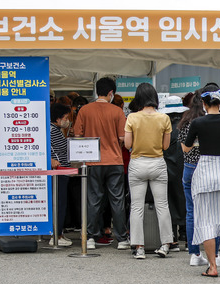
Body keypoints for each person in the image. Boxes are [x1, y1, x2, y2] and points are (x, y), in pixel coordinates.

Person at [182, 83, 220, 277]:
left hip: (204, 171)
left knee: (205, 220)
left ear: (204, 104)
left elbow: (186, 148)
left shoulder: (197, 123)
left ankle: (212, 267)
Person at [72, 77, 130, 250]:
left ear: (97, 91)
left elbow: (77, 136)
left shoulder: (85, 110)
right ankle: (121, 239)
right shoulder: (117, 112)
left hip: (92, 162)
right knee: (117, 200)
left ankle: (90, 237)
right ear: (111, 93)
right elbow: (122, 138)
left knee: (93, 199)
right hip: (114, 161)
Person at [124, 82, 175, 259]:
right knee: (162, 205)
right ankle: (166, 244)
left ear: (138, 98)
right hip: (158, 163)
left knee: (136, 207)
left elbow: (128, 144)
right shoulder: (164, 118)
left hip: (137, 163)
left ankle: (139, 247)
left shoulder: (132, 118)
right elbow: (166, 145)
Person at [177, 91, 220, 268]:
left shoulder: (186, 121)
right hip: (210, 167)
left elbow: (184, 149)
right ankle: (216, 254)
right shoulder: (214, 121)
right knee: (214, 211)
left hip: (190, 167)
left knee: (192, 211)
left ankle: (194, 253)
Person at [159, 95, 188, 251]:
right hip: (185, 168)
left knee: (168, 201)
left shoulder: (163, 127)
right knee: (185, 200)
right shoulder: (186, 127)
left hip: (167, 168)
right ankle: (186, 235)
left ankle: (173, 239)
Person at [48, 103, 73, 247]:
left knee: (60, 202)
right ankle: (56, 235)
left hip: (61, 171)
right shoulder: (53, 131)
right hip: (59, 171)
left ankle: (59, 233)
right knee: (59, 203)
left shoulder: (55, 130)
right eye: (65, 117)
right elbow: (64, 148)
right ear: (57, 119)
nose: (67, 120)